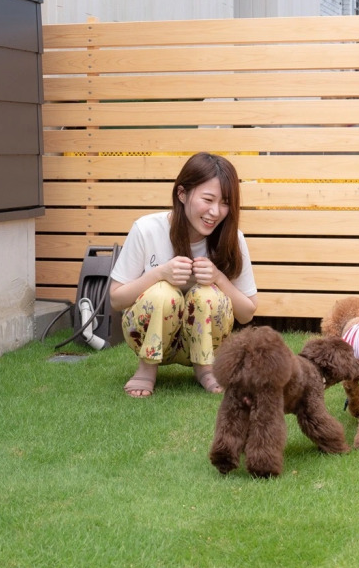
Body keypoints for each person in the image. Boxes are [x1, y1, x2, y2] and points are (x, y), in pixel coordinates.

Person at [109, 152, 259, 398]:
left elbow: (247, 312)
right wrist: (160, 273)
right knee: (162, 292)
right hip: (144, 336)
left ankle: (205, 367)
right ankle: (147, 368)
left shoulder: (233, 239)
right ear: (182, 193)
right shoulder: (146, 229)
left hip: (208, 341)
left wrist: (218, 278)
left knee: (207, 294)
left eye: (224, 203)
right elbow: (116, 299)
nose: (215, 212)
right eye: (208, 199)